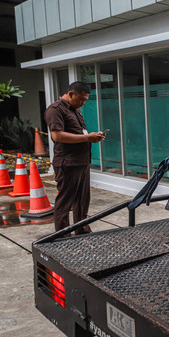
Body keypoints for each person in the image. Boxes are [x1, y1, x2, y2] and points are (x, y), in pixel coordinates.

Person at [44, 81, 105, 234]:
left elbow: (80, 133)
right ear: (71, 94)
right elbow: (57, 135)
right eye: (81, 99)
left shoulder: (75, 110)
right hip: (68, 162)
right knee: (66, 201)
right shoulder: (55, 110)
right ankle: (62, 235)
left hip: (82, 161)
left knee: (82, 200)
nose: (83, 103)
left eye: (85, 100)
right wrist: (87, 138)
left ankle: (82, 229)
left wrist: (93, 137)